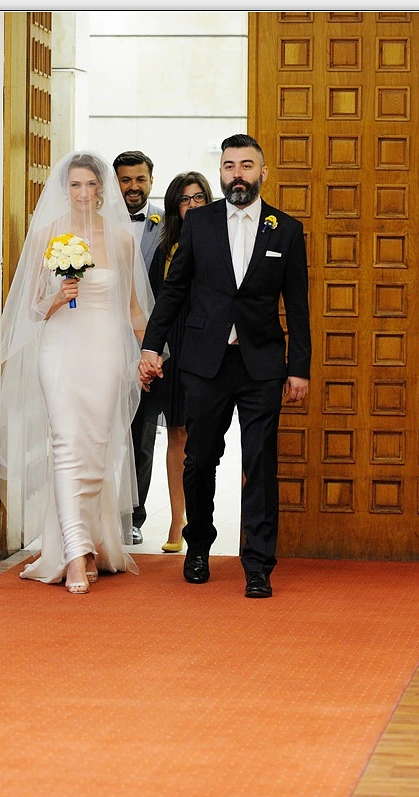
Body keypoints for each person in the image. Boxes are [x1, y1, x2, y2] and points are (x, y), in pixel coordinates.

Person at [139, 134, 310, 599]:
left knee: (259, 462)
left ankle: (258, 564)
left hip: (261, 365)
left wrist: (299, 368)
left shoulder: (286, 229)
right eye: (230, 166)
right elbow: (174, 291)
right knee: (199, 460)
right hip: (204, 363)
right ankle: (198, 547)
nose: (238, 174)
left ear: (262, 172)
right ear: (221, 172)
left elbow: (298, 306)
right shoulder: (200, 223)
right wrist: (151, 346)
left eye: (246, 166)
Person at [0, 151, 152, 593]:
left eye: (91, 185)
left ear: (102, 190)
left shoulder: (121, 239)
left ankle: (91, 544)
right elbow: (29, 310)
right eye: (75, 185)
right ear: (65, 189)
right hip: (60, 350)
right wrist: (57, 297)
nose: (83, 193)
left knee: (97, 449)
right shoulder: (47, 235)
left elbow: (133, 309)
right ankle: (74, 553)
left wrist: (149, 352)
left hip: (105, 351)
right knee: (65, 445)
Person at [146, 171, 214, 554]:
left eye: (198, 197)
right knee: (177, 434)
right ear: (175, 206)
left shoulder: (219, 241)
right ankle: (177, 520)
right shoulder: (165, 248)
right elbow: (159, 304)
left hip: (209, 347)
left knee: (207, 437)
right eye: (185, 199)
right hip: (174, 348)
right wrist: (153, 349)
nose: (192, 205)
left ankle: (206, 520)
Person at [114, 150, 164, 546]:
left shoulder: (167, 225)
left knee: (141, 435)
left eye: (140, 179)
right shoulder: (96, 224)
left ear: (150, 180)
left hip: (148, 344)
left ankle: (134, 515)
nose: (133, 187)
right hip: (101, 342)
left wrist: (154, 348)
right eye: (126, 179)